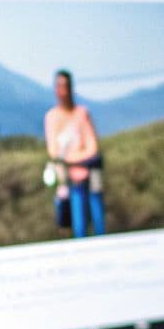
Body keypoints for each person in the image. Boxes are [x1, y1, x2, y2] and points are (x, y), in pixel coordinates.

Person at [43, 69, 104, 237]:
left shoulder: (82, 113)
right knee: (79, 226)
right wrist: (75, 160)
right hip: (71, 180)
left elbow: (92, 146)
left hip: (92, 174)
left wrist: (71, 159)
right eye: (60, 86)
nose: (63, 91)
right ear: (56, 89)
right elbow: (54, 152)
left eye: (66, 86)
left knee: (99, 220)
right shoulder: (52, 117)